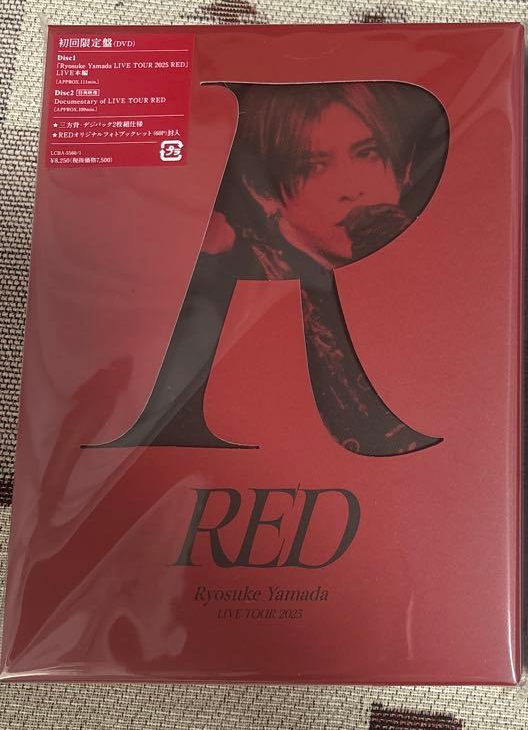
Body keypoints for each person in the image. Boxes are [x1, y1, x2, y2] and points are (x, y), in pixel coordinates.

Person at [98, 82, 449, 457]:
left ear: (404, 170)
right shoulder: (228, 291)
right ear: (263, 191)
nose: (352, 189)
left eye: (366, 153)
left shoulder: (432, 270)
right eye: (313, 166)